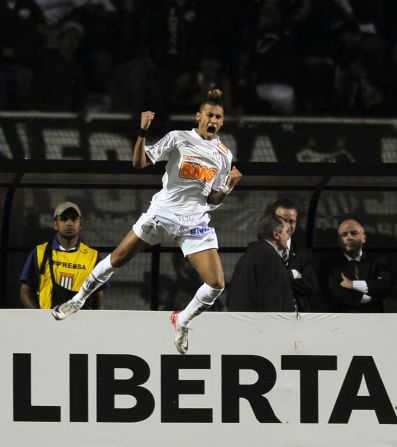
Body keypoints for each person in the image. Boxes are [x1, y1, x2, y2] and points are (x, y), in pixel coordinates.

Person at [51, 88, 242, 355]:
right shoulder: (178, 138)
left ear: (222, 121)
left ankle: (182, 320)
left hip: (194, 221)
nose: (214, 120)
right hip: (162, 213)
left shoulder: (224, 154)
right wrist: (142, 132)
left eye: (218, 117)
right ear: (199, 116)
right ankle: (79, 299)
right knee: (118, 258)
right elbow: (139, 162)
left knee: (217, 284)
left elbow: (212, 200)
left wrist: (229, 187)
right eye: (209, 114)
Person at [20, 201, 105, 310]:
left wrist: (96, 322)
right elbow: (25, 292)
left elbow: (99, 295)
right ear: (55, 224)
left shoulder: (93, 257)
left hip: (82, 324)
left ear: (81, 224)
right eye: (63, 219)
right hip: (48, 324)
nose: (69, 223)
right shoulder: (39, 253)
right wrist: (39, 319)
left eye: (74, 219)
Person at [319, 218, 392, 312]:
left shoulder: (377, 261)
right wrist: (372, 297)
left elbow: (385, 286)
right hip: (342, 321)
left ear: (364, 238)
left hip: (373, 320)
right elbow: (338, 293)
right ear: (339, 241)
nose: (349, 237)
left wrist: (352, 284)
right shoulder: (328, 265)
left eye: (354, 233)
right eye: (344, 235)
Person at [226, 214, 296, 312]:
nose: (288, 237)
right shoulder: (270, 259)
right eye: (286, 232)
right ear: (276, 234)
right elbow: (272, 299)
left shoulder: (248, 256)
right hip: (262, 324)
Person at [269, 198, 318, 312]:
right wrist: (293, 276)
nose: (287, 226)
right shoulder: (263, 250)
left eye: (291, 221)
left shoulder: (304, 254)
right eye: (282, 220)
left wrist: (280, 280)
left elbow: (311, 286)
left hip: (299, 316)